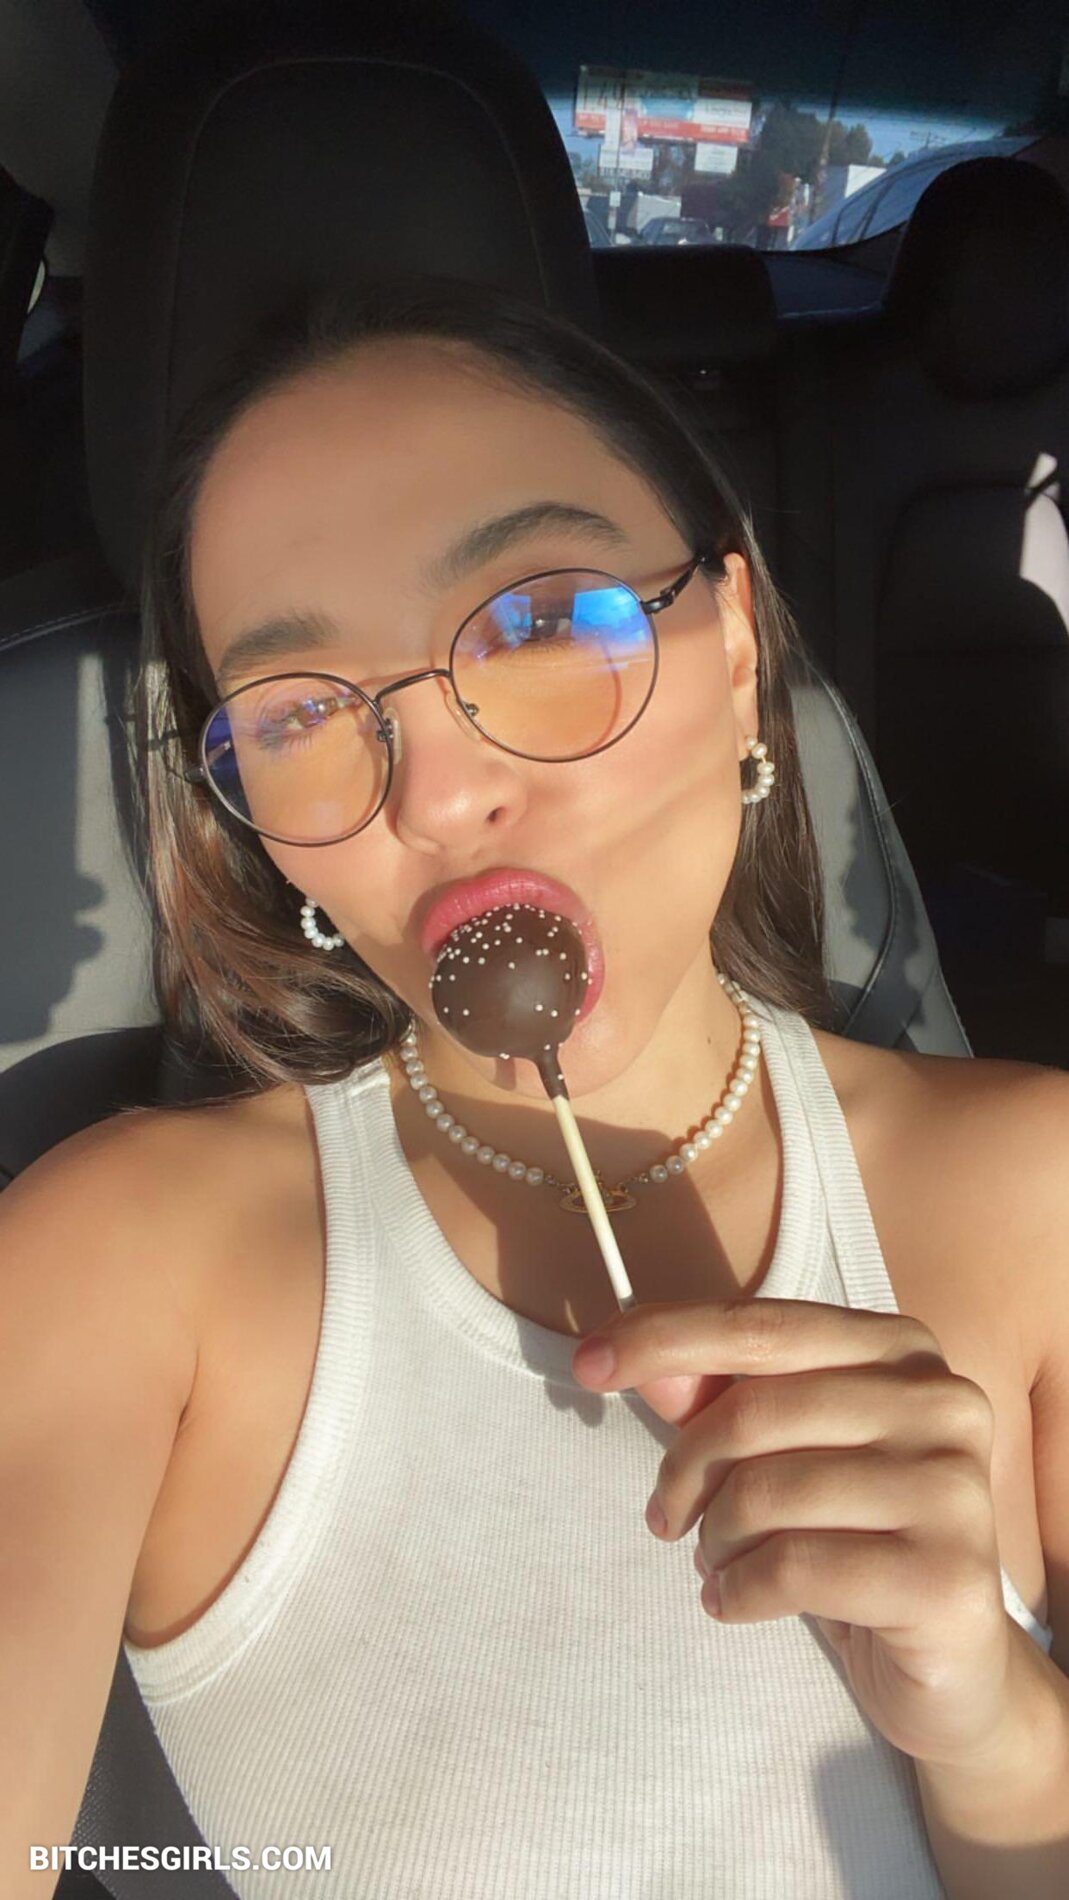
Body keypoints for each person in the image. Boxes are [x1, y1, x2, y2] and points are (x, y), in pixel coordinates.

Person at [4, 277, 1065, 1900]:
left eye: (541, 625)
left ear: (734, 649)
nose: (437, 796)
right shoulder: (114, 1263)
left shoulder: (1038, 1191)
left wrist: (993, 1731)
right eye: (299, 713)